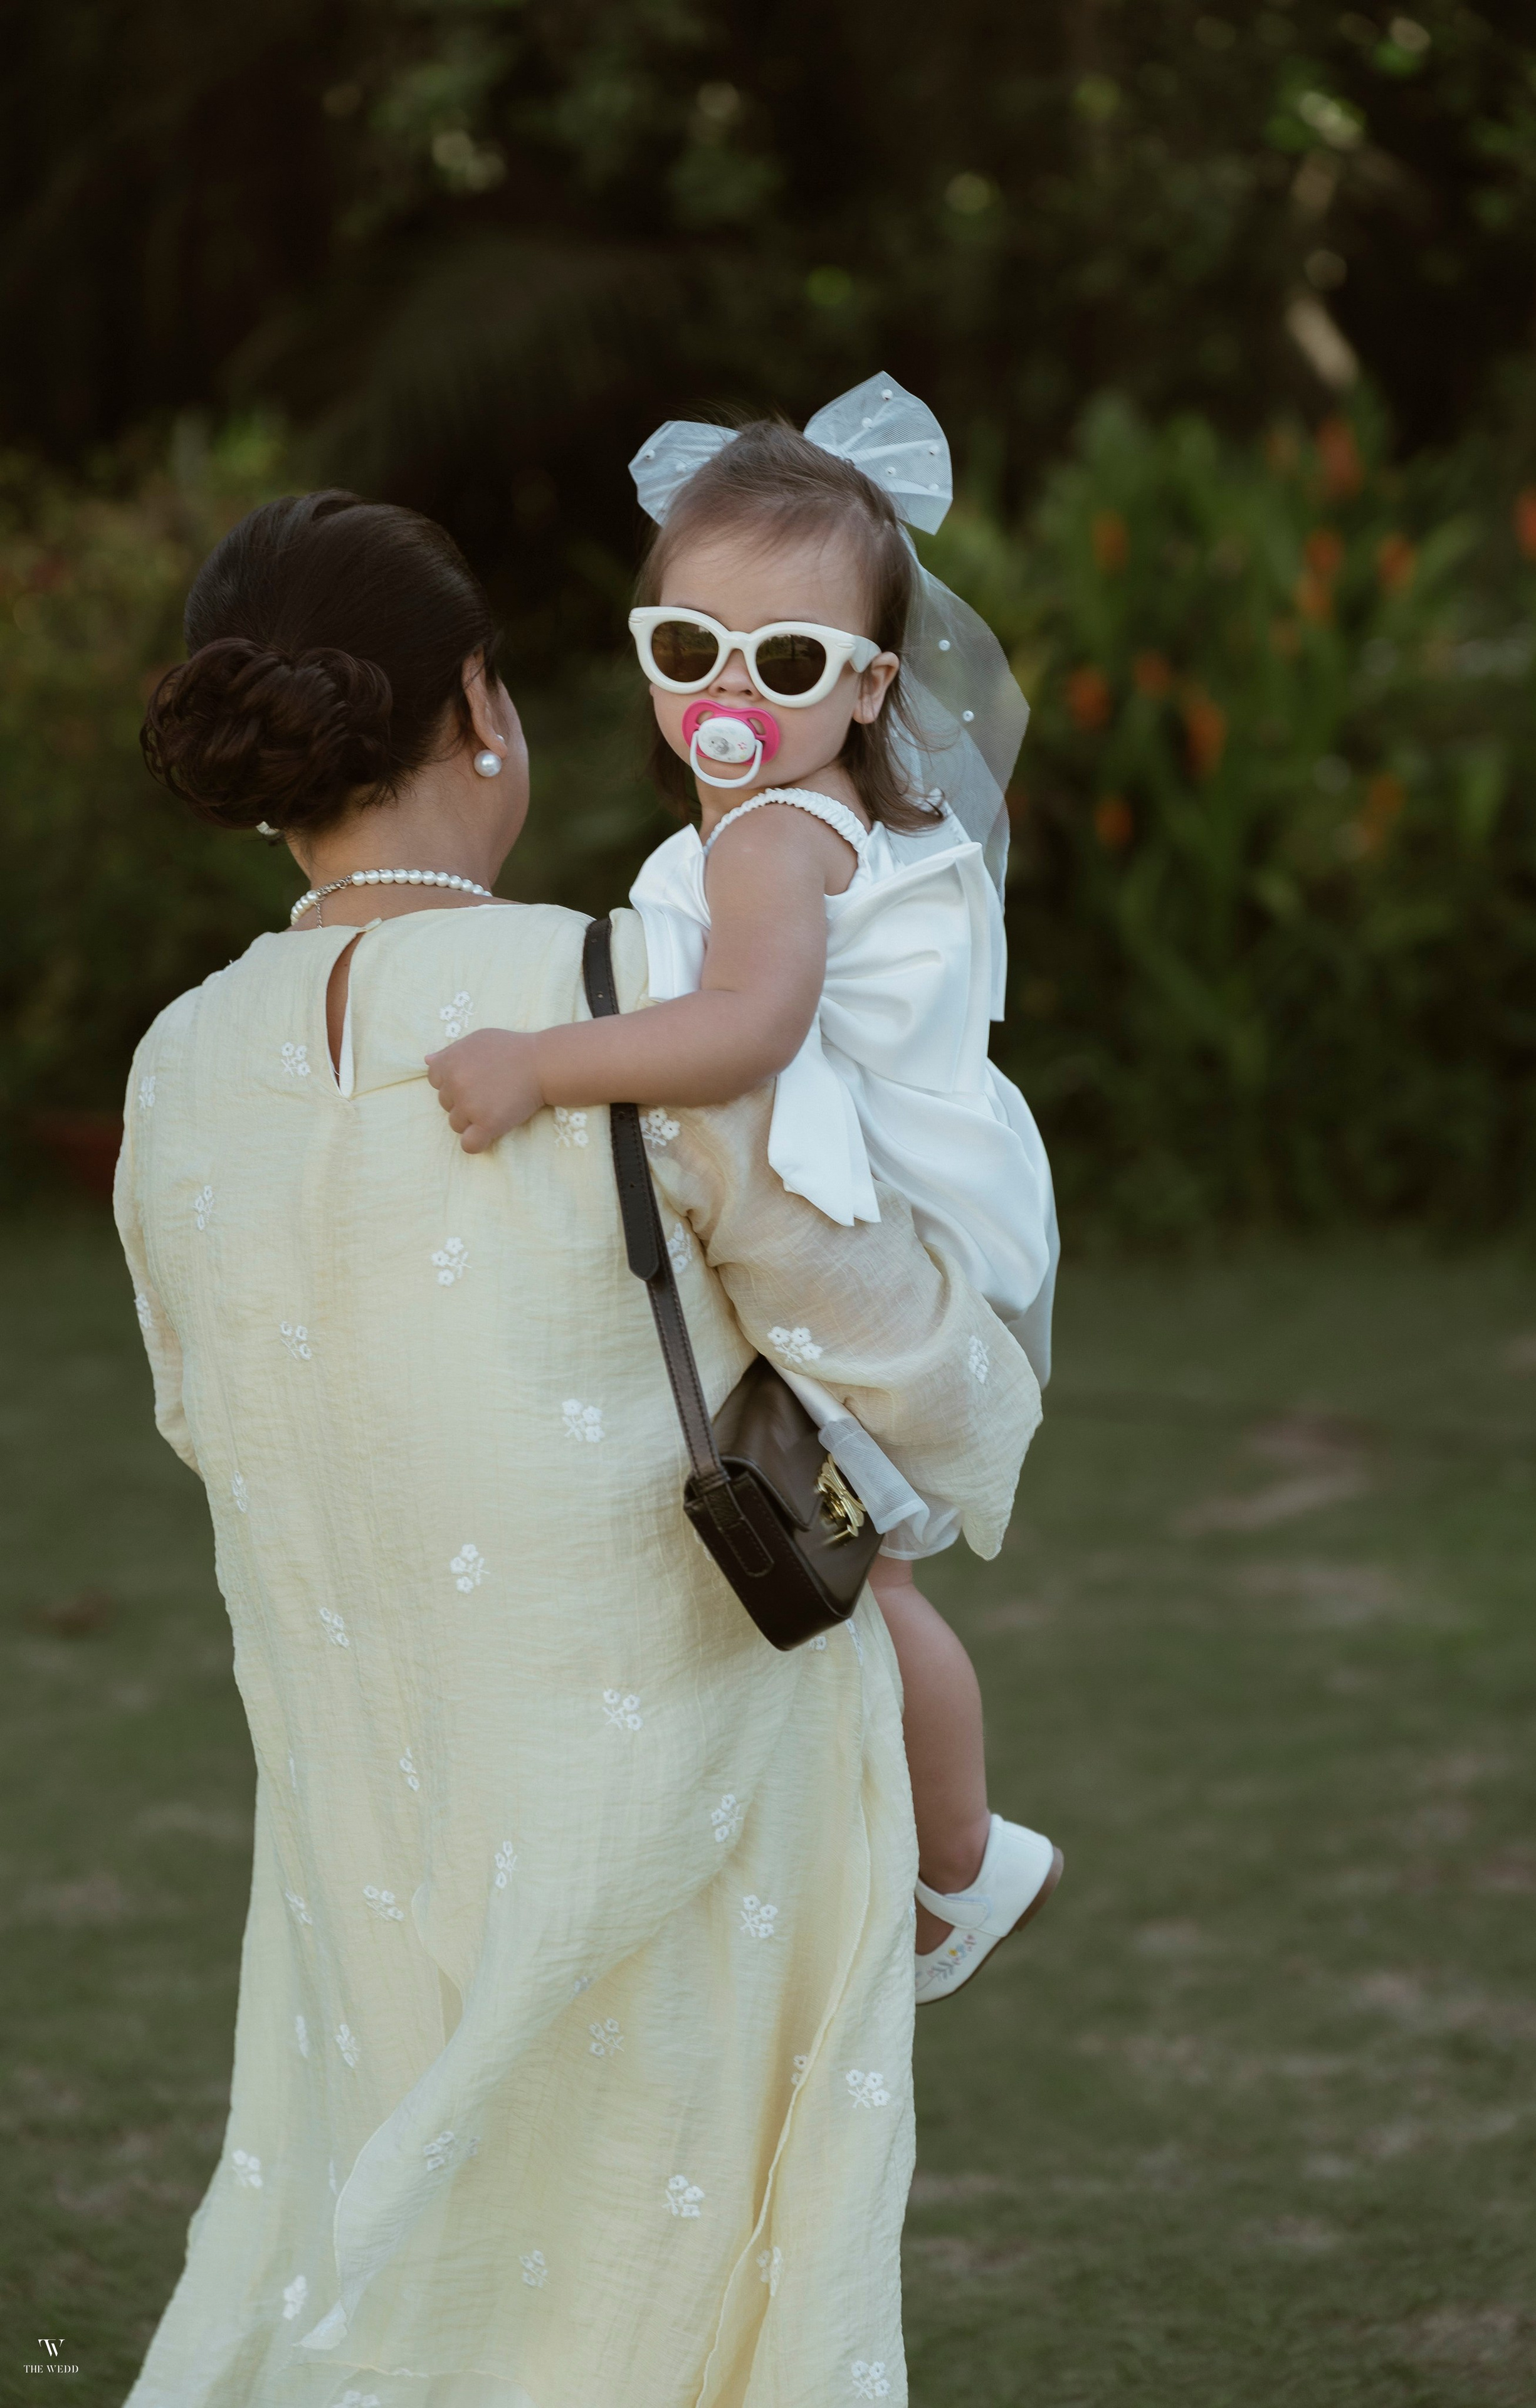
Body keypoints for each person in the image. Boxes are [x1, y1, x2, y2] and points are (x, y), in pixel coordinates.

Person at [116, 485, 1043, 2406]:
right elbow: (875, 1337)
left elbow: (204, 1409)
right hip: (687, 1772)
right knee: (667, 2272)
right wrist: (984, 1377)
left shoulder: (180, 1058)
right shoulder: (612, 991)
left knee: (409, 2247)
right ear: (486, 710)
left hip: (372, 1787)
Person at [424, 375, 1062, 1999]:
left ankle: (964, 1864)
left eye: (783, 662)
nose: (728, 692)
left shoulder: (774, 842)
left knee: (868, 1575)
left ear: (865, 688)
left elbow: (748, 1028)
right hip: (900, 1220)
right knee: (861, 1569)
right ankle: (932, 1855)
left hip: (873, 1247)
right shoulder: (807, 819)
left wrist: (538, 1066)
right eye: (685, 650)